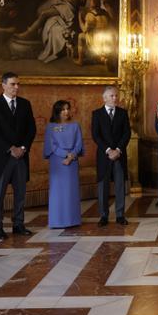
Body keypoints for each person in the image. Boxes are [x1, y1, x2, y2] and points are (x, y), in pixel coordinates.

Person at [0, 72, 36, 240]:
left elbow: (31, 129)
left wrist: (22, 147)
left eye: (18, 84)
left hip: (21, 156)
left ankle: (18, 224)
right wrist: (10, 148)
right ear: (3, 85)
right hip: (3, 158)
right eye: (13, 84)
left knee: (20, 193)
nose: (16, 87)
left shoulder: (25, 104)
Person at [91, 86, 131, 226]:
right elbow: (96, 136)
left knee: (120, 185)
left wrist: (118, 150)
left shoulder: (123, 113)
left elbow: (127, 133)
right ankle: (103, 216)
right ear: (105, 98)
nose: (115, 98)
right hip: (104, 156)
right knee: (103, 186)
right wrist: (109, 150)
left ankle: (120, 215)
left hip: (119, 155)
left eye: (116, 95)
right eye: (112, 96)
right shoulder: (97, 114)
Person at [43, 100, 84, 228]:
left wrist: (71, 156)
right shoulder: (51, 127)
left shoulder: (75, 126)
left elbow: (79, 144)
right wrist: (66, 155)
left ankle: (73, 220)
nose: (66, 112)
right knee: (58, 192)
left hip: (72, 163)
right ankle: (57, 221)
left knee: (71, 191)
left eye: (67, 109)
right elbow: (52, 146)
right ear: (57, 111)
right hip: (58, 162)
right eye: (63, 109)